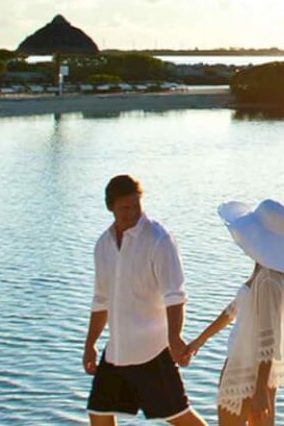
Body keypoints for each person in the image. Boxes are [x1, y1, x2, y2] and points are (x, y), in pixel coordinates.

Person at [83, 175, 208, 426]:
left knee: (181, 418)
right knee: (98, 411)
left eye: (136, 205)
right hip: (117, 351)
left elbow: (175, 295)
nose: (132, 213)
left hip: (153, 350)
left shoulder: (159, 240)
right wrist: (90, 343)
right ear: (111, 207)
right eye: (124, 208)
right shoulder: (103, 245)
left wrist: (175, 338)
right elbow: (101, 300)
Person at [187, 199, 284, 426]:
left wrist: (260, 390)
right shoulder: (264, 272)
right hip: (251, 368)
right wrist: (198, 342)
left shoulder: (268, 281)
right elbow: (232, 311)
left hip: (247, 369)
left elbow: (269, 338)